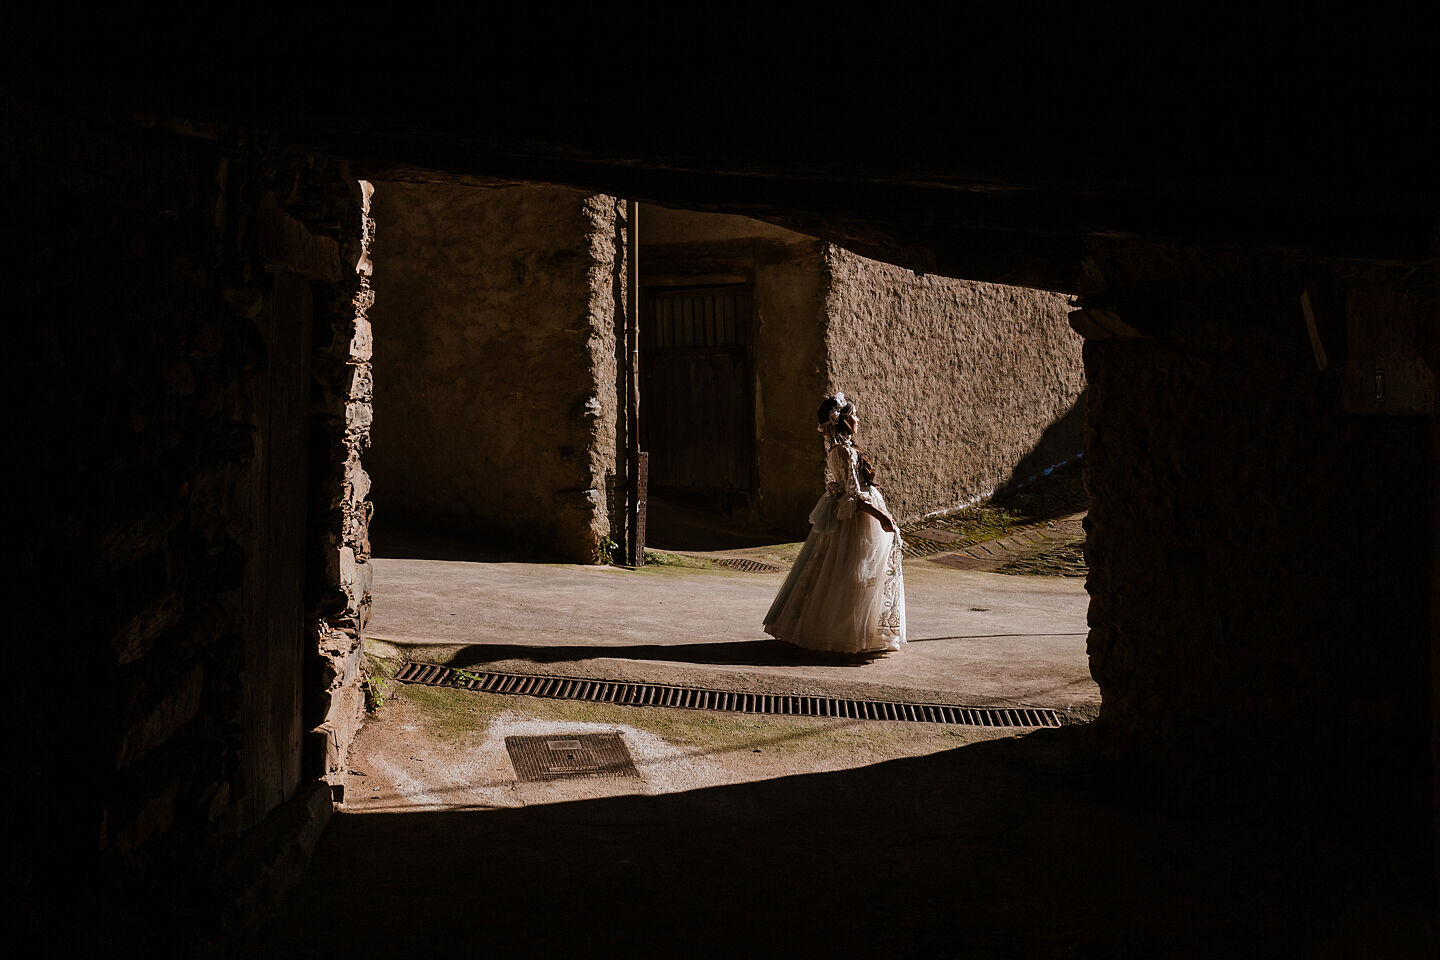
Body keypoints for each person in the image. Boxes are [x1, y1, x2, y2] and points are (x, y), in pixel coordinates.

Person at [763, 392, 907, 654]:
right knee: (850, 573)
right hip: (857, 520)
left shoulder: (845, 449)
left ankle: (859, 629)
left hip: (860, 514)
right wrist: (883, 517)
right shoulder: (843, 452)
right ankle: (840, 631)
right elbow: (853, 496)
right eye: (853, 414)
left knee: (853, 574)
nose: (858, 418)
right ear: (842, 420)